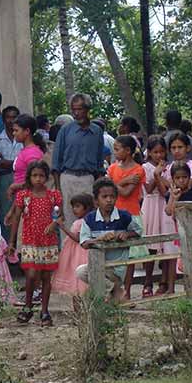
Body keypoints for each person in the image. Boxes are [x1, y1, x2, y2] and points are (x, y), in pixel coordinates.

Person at [6, 161, 61, 326]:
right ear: (29, 177)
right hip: (30, 240)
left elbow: (61, 215)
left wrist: (55, 223)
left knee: (45, 277)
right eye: (35, 175)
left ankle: (44, 311)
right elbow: (16, 218)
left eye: (41, 176)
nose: (38, 179)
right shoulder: (24, 195)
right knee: (30, 275)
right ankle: (28, 306)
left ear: (46, 177)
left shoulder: (54, 195)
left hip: (48, 241)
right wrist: (12, 242)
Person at [77, 178, 142, 301]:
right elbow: (84, 243)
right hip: (99, 264)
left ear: (116, 198)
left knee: (95, 280)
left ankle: (108, 294)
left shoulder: (124, 216)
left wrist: (126, 234)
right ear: (96, 200)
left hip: (117, 267)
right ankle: (115, 290)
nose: (109, 200)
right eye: (104, 196)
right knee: (80, 271)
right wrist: (99, 239)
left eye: (112, 196)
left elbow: (138, 231)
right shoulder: (90, 219)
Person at [52, 94, 108, 229]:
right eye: (74, 110)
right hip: (68, 178)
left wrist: (98, 187)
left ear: (87, 109)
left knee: (90, 218)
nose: (77, 113)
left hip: (88, 179)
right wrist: (58, 189)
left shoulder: (96, 131)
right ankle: (69, 249)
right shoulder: (66, 130)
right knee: (68, 218)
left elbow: (100, 164)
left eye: (80, 109)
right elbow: (56, 162)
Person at [106, 135, 148, 297]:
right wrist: (123, 181)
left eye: (117, 149)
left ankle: (127, 292)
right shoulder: (113, 168)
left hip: (130, 214)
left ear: (128, 150)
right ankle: (114, 290)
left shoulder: (138, 170)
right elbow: (110, 187)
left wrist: (116, 183)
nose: (115, 152)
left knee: (129, 258)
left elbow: (125, 193)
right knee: (112, 255)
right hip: (113, 214)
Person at [140, 135, 176, 296]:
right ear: (149, 152)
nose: (159, 155)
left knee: (167, 245)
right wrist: (155, 174)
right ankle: (147, 282)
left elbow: (166, 190)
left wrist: (160, 175)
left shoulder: (170, 167)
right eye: (155, 152)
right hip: (150, 205)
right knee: (150, 246)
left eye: (162, 152)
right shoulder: (145, 167)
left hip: (165, 205)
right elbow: (148, 189)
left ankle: (164, 282)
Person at [50, 193, 94, 297]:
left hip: (79, 252)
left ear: (87, 207)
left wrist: (63, 227)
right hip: (74, 251)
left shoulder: (82, 222)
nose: (74, 209)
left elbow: (78, 238)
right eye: (73, 207)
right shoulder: (82, 221)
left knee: (76, 274)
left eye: (78, 206)